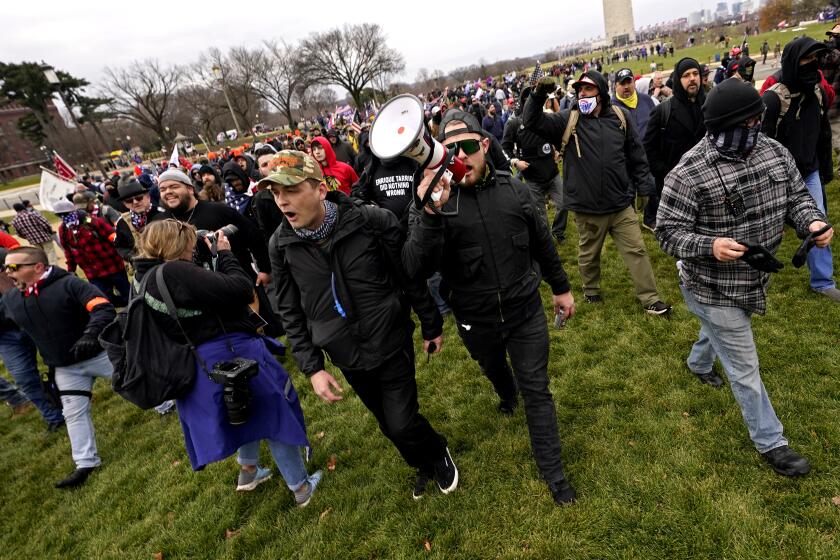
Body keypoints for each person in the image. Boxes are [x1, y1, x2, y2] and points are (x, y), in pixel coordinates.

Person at [655, 78, 833, 477]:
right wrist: (709, 245)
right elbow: (666, 232)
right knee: (744, 366)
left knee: (715, 335)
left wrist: (813, 222)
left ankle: (698, 364)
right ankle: (772, 442)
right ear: (725, 127)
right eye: (750, 122)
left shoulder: (773, 151)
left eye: (759, 120)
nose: (757, 128)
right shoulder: (688, 173)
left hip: (754, 281)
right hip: (711, 286)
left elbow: (796, 198)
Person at [403, 112, 577, 505]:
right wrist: (429, 212)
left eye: (467, 146)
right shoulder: (433, 201)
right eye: (449, 150)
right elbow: (414, 266)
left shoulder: (513, 191)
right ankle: (505, 391)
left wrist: (561, 289)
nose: (459, 156)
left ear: (484, 146)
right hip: (474, 319)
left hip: (524, 311)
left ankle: (554, 473)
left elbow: (543, 244)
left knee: (537, 390)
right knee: (496, 370)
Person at [266, 150, 457, 501]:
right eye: (275, 193)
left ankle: (437, 450)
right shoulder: (281, 245)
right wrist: (313, 368)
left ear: (320, 189)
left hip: (390, 338)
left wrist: (431, 324)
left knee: (401, 421)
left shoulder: (369, 220)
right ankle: (423, 464)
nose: (281, 201)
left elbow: (408, 275)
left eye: (290, 190)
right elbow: (290, 312)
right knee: (387, 424)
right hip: (346, 354)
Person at [133, 220, 322, 505]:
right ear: (176, 243)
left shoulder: (145, 277)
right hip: (231, 351)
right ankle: (301, 487)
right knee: (273, 412)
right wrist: (225, 255)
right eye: (188, 240)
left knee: (243, 409)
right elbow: (242, 290)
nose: (192, 246)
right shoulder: (176, 271)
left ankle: (249, 471)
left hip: (201, 360)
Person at [525, 72, 671, 315]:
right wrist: (538, 94)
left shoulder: (619, 117)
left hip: (621, 204)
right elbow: (532, 121)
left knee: (637, 250)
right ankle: (591, 289)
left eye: (588, 90)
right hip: (587, 208)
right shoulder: (567, 120)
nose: (582, 94)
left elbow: (636, 154)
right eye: (580, 90)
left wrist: (645, 187)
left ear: (601, 93)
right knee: (589, 253)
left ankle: (651, 299)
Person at [2, 246, 115, 488]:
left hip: (98, 355)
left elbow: (102, 307)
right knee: (73, 414)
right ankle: (85, 463)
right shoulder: (11, 300)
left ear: (38, 267)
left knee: (136, 383)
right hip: (65, 368)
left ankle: (168, 404)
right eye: (5, 268)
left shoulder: (69, 284)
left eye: (13, 267)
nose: (7, 272)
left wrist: (91, 335)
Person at [762, 37, 839, 302]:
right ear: (794, 62)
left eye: (816, 59)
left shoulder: (817, 93)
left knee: (818, 224)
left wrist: (825, 169)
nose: (813, 64)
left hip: (809, 172)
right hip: (775, 179)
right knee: (764, 231)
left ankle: (822, 280)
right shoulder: (773, 100)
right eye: (807, 59)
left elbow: (824, 134)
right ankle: (753, 278)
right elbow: (760, 144)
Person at [0, 249, 64, 429]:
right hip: (5, 335)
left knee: (60, 362)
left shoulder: (5, 257)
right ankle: (54, 416)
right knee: (24, 377)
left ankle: (74, 397)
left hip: (34, 319)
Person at [643, 58, 707, 232]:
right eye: (686, 75)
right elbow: (649, 147)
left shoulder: (710, 105)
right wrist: (664, 173)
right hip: (675, 183)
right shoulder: (663, 111)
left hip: (707, 181)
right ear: (678, 80)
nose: (692, 78)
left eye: (695, 74)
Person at [502, 87, 567, 244]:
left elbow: (555, 136)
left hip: (552, 173)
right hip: (532, 178)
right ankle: (545, 242)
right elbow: (504, 148)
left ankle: (558, 231)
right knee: (540, 215)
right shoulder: (514, 124)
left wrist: (557, 149)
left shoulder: (545, 118)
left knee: (564, 204)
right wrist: (515, 161)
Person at [53, 199, 130, 308]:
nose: (64, 217)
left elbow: (113, 236)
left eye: (66, 214)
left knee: (128, 294)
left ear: (74, 211)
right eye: (60, 215)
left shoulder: (93, 222)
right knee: (106, 300)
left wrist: (125, 253)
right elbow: (69, 252)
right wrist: (71, 270)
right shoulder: (63, 230)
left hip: (113, 267)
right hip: (93, 274)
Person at [113, 178, 163, 262]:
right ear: (125, 204)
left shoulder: (163, 214)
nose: (135, 202)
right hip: (143, 269)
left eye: (139, 198)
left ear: (148, 196)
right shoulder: (122, 223)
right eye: (129, 200)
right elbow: (120, 246)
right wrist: (132, 257)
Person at [612, 67, 657, 139]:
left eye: (629, 82)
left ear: (634, 82)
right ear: (615, 86)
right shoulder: (611, 108)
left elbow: (656, 124)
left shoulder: (646, 99)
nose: (626, 86)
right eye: (622, 83)